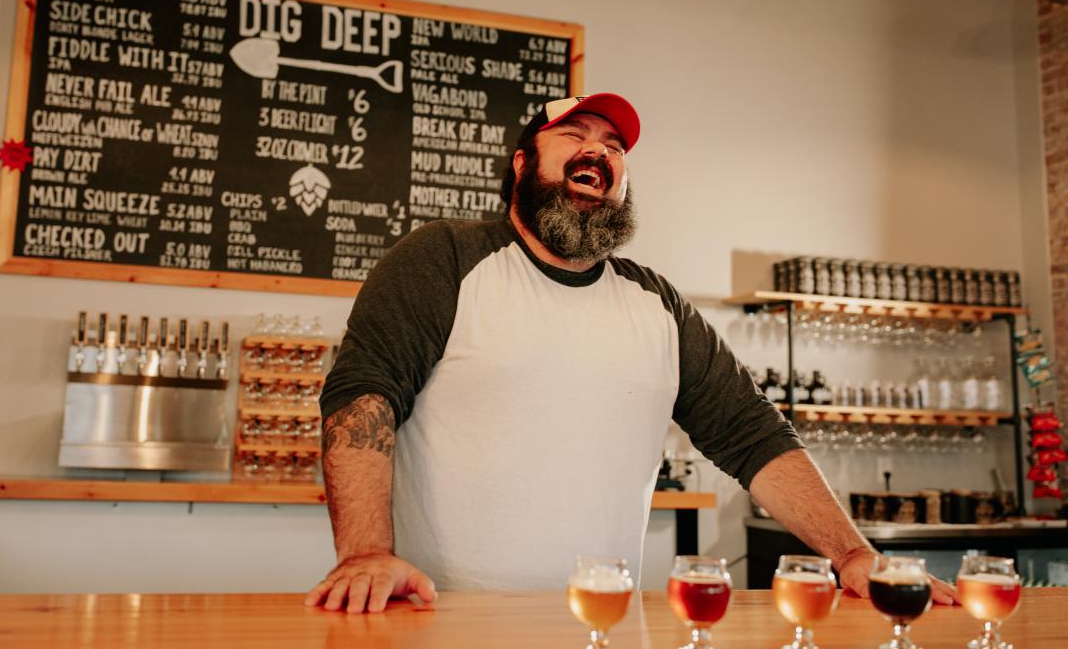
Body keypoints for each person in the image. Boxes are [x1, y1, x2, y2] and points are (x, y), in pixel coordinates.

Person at [304, 93, 958, 614]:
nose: (598, 150)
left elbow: (753, 435)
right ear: (523, 164)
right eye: (575, 135)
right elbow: (363, 397)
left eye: (614, 145)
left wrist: (852, 554)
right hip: (446, 619)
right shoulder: (444, 259)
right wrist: (365, 554)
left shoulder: (658, 305)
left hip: (604, 623)